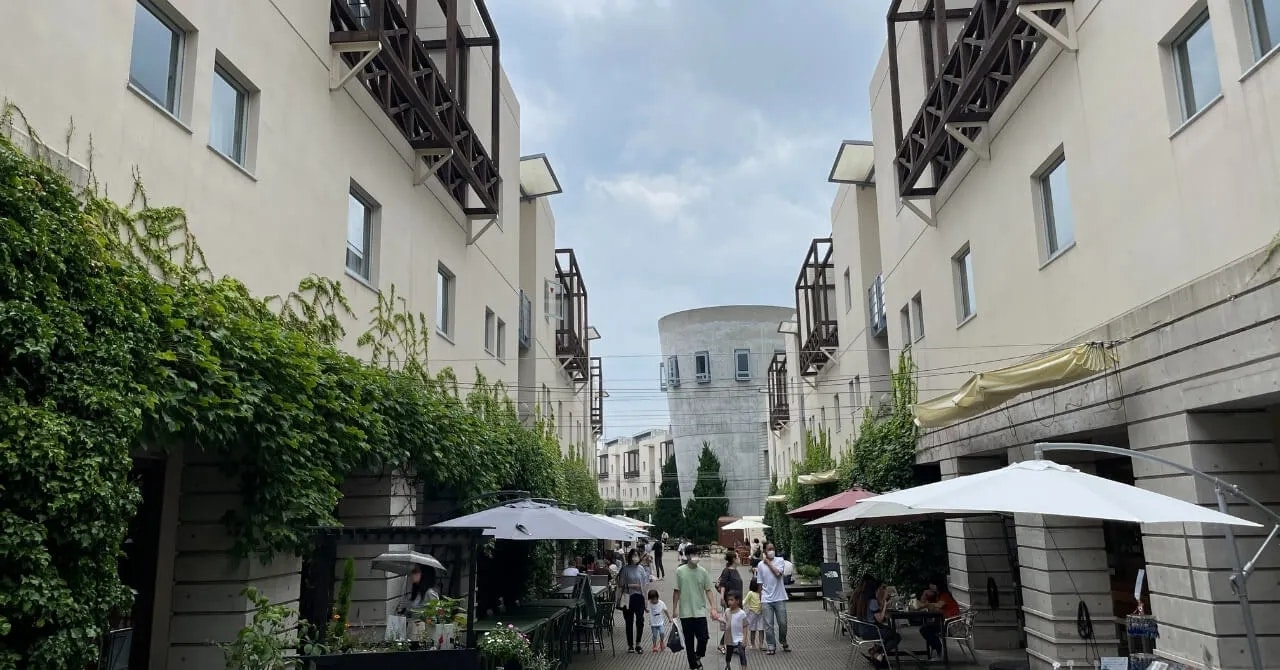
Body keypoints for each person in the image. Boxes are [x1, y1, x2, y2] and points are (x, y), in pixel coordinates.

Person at [673, 545, 721, 670]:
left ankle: (698, 655)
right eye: (693, 554)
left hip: (700, 611)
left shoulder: (703, 571)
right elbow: (676, 591)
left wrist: (713, 608)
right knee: (689, 642)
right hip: (685, 612)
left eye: (697, 554)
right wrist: (674, 609)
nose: (696, 557)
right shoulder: (680, 571)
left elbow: (709, 590)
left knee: (704, 637)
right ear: (687, 556)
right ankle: (694, 665)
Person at [753, 542, 790, 655]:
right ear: (764, 551)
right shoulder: (760, 565)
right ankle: (771, 645)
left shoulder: (780, 560)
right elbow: (759, 583)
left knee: (783, 623)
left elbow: (778, 574)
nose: (771, 551)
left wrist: (768, 563)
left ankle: (783, 641)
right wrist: (760, 600)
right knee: (768, 624)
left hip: (779, 597)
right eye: (769, 549)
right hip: (766, 599)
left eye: (773, 548)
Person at [618, 548, 651, 654]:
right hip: (628, 597)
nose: (635, 557)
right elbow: (620, 585)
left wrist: (646, 601)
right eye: (633, 555)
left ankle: (638, 644)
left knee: (640, 621)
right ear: (630, 557)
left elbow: (645, 586)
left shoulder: (641, 569)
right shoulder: (625, 569)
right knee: (629, 621)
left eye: (637, 555)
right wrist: (632, 585)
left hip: (639, 598)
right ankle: (630, 645)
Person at [918, 578, 961, 658]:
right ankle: (937, 649)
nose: (930, 586)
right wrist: (925, 594)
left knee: (925, 629)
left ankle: (938, 648)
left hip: (951, 625)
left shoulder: (945, 595)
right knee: (925, 628)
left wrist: (927, 605)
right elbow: (923, 602)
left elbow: (938, 605)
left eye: (932, 584)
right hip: (943, 622)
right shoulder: (937, 596)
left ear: (937, 586)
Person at [715, 550, 743, 653]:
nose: (739, 558)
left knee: (736, 624)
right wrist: (722, 598)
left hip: (738, 600)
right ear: (734, 559)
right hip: (730, 601)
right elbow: (722, 585)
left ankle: (733, 645)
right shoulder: (727, 570)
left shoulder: (736, 571)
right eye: (738, 557)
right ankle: (723, 644)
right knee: (731, 624)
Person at [721, 591, 749, 670]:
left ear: (737, 601)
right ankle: (727, 664)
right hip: (730, 637)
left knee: (742, 653)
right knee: (728, 654)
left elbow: (745, 626)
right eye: (728, 600)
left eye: (731, 600)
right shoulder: (727, 611)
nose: (729, 602)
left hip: (739, 637)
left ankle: (744, 667)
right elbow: (724, 620)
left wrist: (744, 639)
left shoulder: (742, 613)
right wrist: (718, 618)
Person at [648, 589, 671, 653]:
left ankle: (661, 641)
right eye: (652, 599)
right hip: (653, 623)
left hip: (660, 622)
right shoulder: (649, 604)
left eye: (655, 599)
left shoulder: (661, 603)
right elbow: (646, 610)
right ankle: (654, 645)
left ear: (657, 597)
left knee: (662, 632)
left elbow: (665, 610)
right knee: (654, 635)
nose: (654, 601)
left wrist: (669, 618)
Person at [743, 579, 764, 650]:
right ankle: (752, 644)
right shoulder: (751, 593)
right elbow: (745, 601)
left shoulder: (762, 593)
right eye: (760, 586)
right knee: (753, 629)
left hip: (761, 613)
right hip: (752, 613)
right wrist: (739, 606)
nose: (761, 587)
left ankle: (761, 644)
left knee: (761, 629)